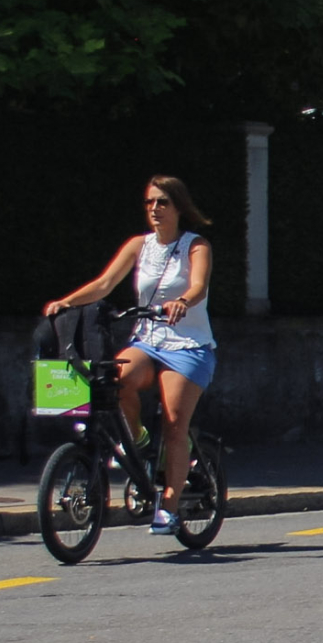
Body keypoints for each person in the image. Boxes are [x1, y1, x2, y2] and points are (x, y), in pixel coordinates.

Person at [45, 177, 215, 535]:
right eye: (149, 202)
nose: (154, 209)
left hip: (188, 347)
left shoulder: (195, 246)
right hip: (148, 341)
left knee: (173, 424)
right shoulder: (139, 246)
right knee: (115, 379)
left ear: (179, 207)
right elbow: (105, 284)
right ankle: (136, 438)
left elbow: (198, 285)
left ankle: (168, 508)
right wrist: (67, 302)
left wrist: (182, 301)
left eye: (163, 202)